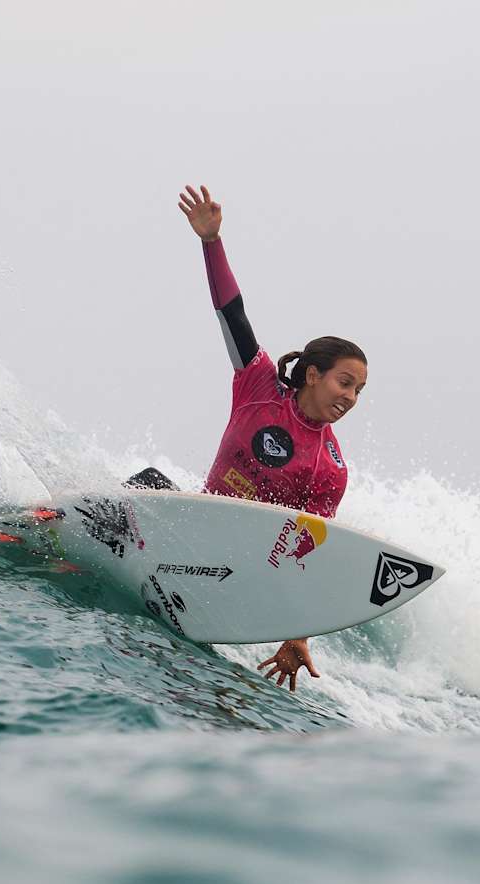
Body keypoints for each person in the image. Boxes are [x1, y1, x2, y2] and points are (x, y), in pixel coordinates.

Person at [178, 184, 368, 693]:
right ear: (312, 374)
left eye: (359, 391)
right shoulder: (259, 386)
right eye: (344, 382)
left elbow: (310, 553)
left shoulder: (330, 467)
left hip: (238, 568)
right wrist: (211, 242)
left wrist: (296, 635)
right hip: (190, 527)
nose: (350, 398)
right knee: (145, 485)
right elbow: (232, 314)